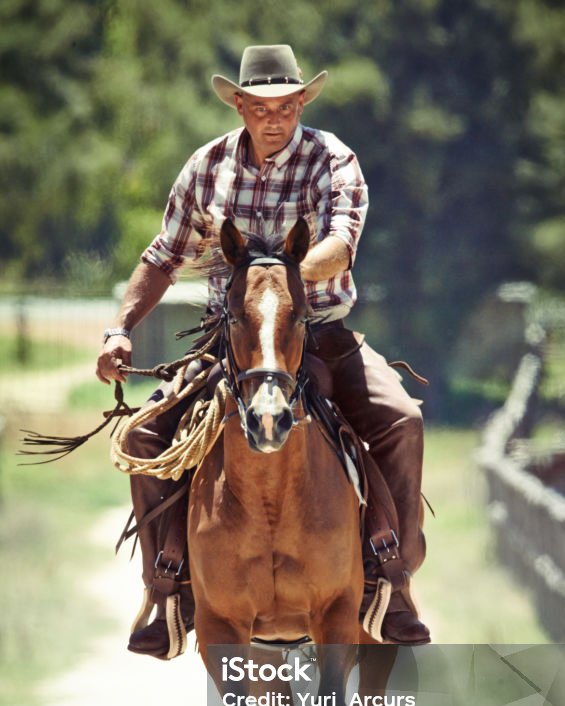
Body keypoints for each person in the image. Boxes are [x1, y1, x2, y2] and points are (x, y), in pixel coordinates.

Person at [96, 44, 430, 658]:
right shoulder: (207, 167)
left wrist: (276, 279)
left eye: (286, 105)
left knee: (402, 420)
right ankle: (167, 592)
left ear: (301, 102)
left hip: (317, 330)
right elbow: (162, 255)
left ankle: (393, 579)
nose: (273, 117)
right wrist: (119, 329)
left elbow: (341, 243)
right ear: (242, 105)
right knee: (145, 435)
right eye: (260, 106)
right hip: (233, 338)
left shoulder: (333, 159)